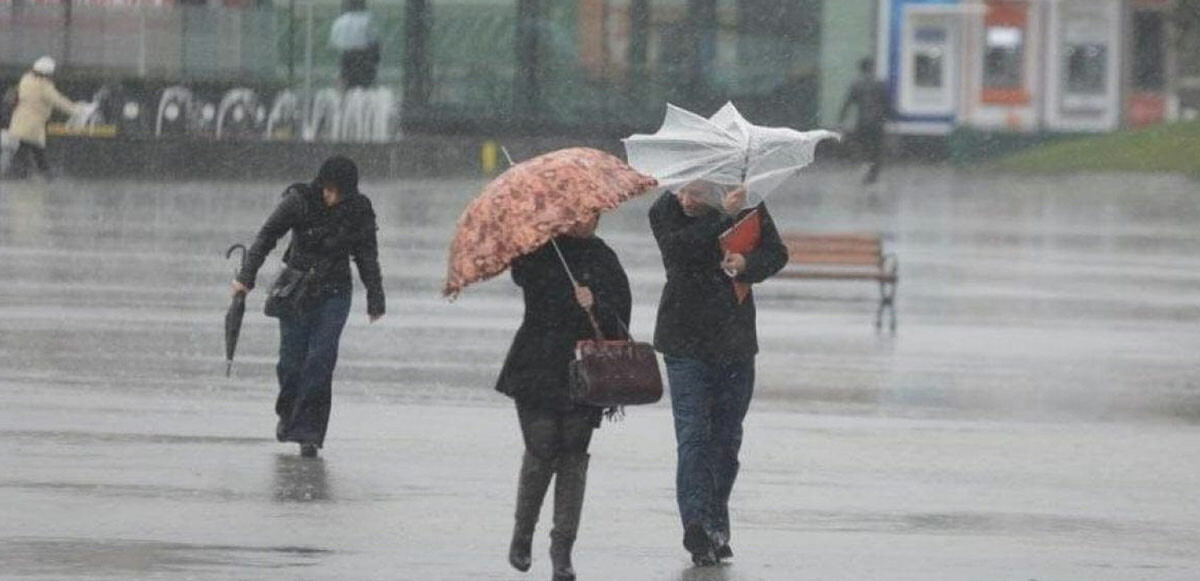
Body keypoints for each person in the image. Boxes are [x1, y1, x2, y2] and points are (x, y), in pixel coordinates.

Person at [648, 181, 788, 566]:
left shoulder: (748, 205)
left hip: (735, 342)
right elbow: (679, 252)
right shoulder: (664, 210)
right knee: (693, 434)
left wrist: (748, 265)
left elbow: (776, 253)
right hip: (683, 341)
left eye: (695, 193)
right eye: (682, 192)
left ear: (713, 188)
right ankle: (695, 525)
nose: (686, 200)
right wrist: (723, 218)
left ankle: (715, 525)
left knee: (726, 441)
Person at [496, 213, 631, 581]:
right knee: (541, 450)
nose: (585, 221)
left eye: (593, 214)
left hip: (584, 371)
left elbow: (621, 317)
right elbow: (522, 275)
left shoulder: (604, 257)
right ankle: (523, 534)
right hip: (536, 364)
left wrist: (595, 303)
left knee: (573, 457)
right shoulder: (540, 249)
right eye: (578, 213)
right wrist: (534, 237)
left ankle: (562, 549)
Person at [231, 156, 385, 458]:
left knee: (321, 360)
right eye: (328, 190)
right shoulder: (299, 200)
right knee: (290, 362)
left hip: (335, 292)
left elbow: (367, 255)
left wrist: (375, 297)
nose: (331, 198)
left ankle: (309, 433)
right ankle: (288, 413)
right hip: (295, 291)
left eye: (338, 192)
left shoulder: (359, 210)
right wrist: (246, 277)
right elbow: (267, 235)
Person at [3, 56, 83, 180]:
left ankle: (37, 173)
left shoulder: (26, 79)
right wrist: (75, 110)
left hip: (20, 120)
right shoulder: (44, 87)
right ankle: (30, 174)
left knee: (31, 149)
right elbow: (59, 101)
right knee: (31, 149)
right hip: (33, 125)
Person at [838, 57, 891, 185]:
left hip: (863, 122)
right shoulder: (879, 83)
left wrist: (841, 118)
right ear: (872, 68)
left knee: (863, 145)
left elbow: (848, 103)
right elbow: (887, 103)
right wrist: (890, 118)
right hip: (877, 122)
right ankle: (873, 172)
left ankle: (865, 164)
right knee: (877, 148)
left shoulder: (857, 84)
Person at [329, 0, 381, 90]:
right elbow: (374, 40)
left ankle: (343, 90)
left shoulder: (340, 21)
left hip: (345, 58)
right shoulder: (368, 20)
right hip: (364, 58)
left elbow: (334, 43)